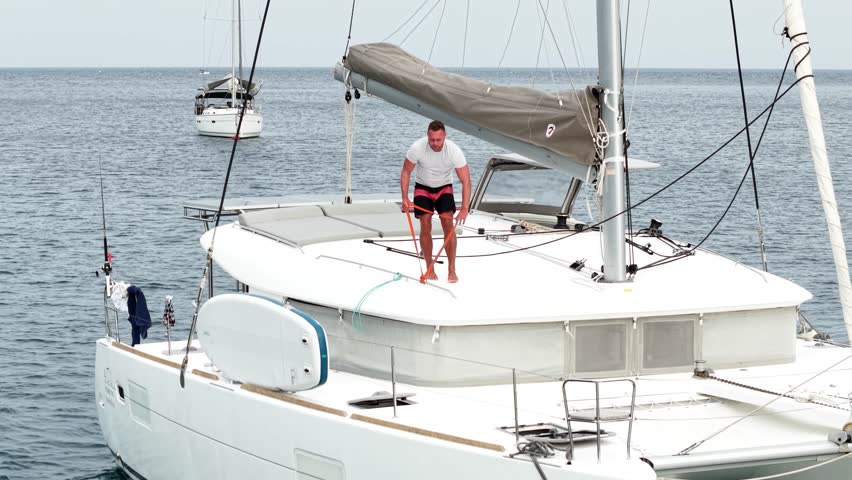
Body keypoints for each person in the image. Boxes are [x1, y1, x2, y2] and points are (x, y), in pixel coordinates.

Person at [400, 120, 471, 283]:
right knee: (425, 224)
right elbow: (405, 172)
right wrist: (404, 198)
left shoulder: (453, 151)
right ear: (428, 136)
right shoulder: (417, 148)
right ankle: (429, 267)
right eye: (432, 140)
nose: (435, 144)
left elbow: (466, 180)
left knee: (448, 226)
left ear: (445, 136)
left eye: (438, 140)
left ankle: (451, 269)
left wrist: (465, 208)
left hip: (444, 188)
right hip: (423, 188)